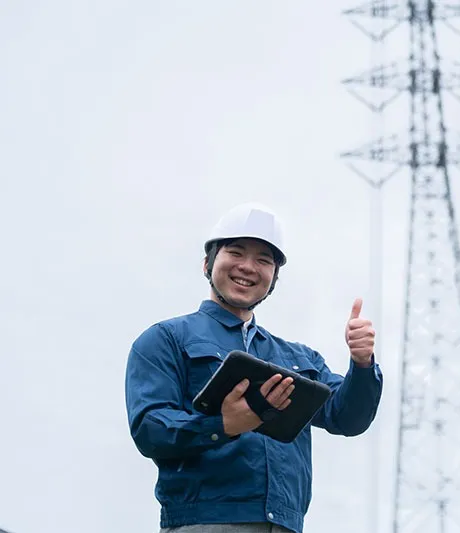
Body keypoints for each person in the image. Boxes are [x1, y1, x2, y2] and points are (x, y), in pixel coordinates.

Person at [124, 203, 383, 533]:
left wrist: (362, 365)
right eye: (236, 252)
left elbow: (348, 418)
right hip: (205, 523)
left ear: (273, 278)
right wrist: (224, 424)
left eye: (264, 260)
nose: (248, 267)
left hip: (286, 525)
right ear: (207, 263)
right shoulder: (167, 339)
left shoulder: (301, 358)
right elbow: (151, 428)